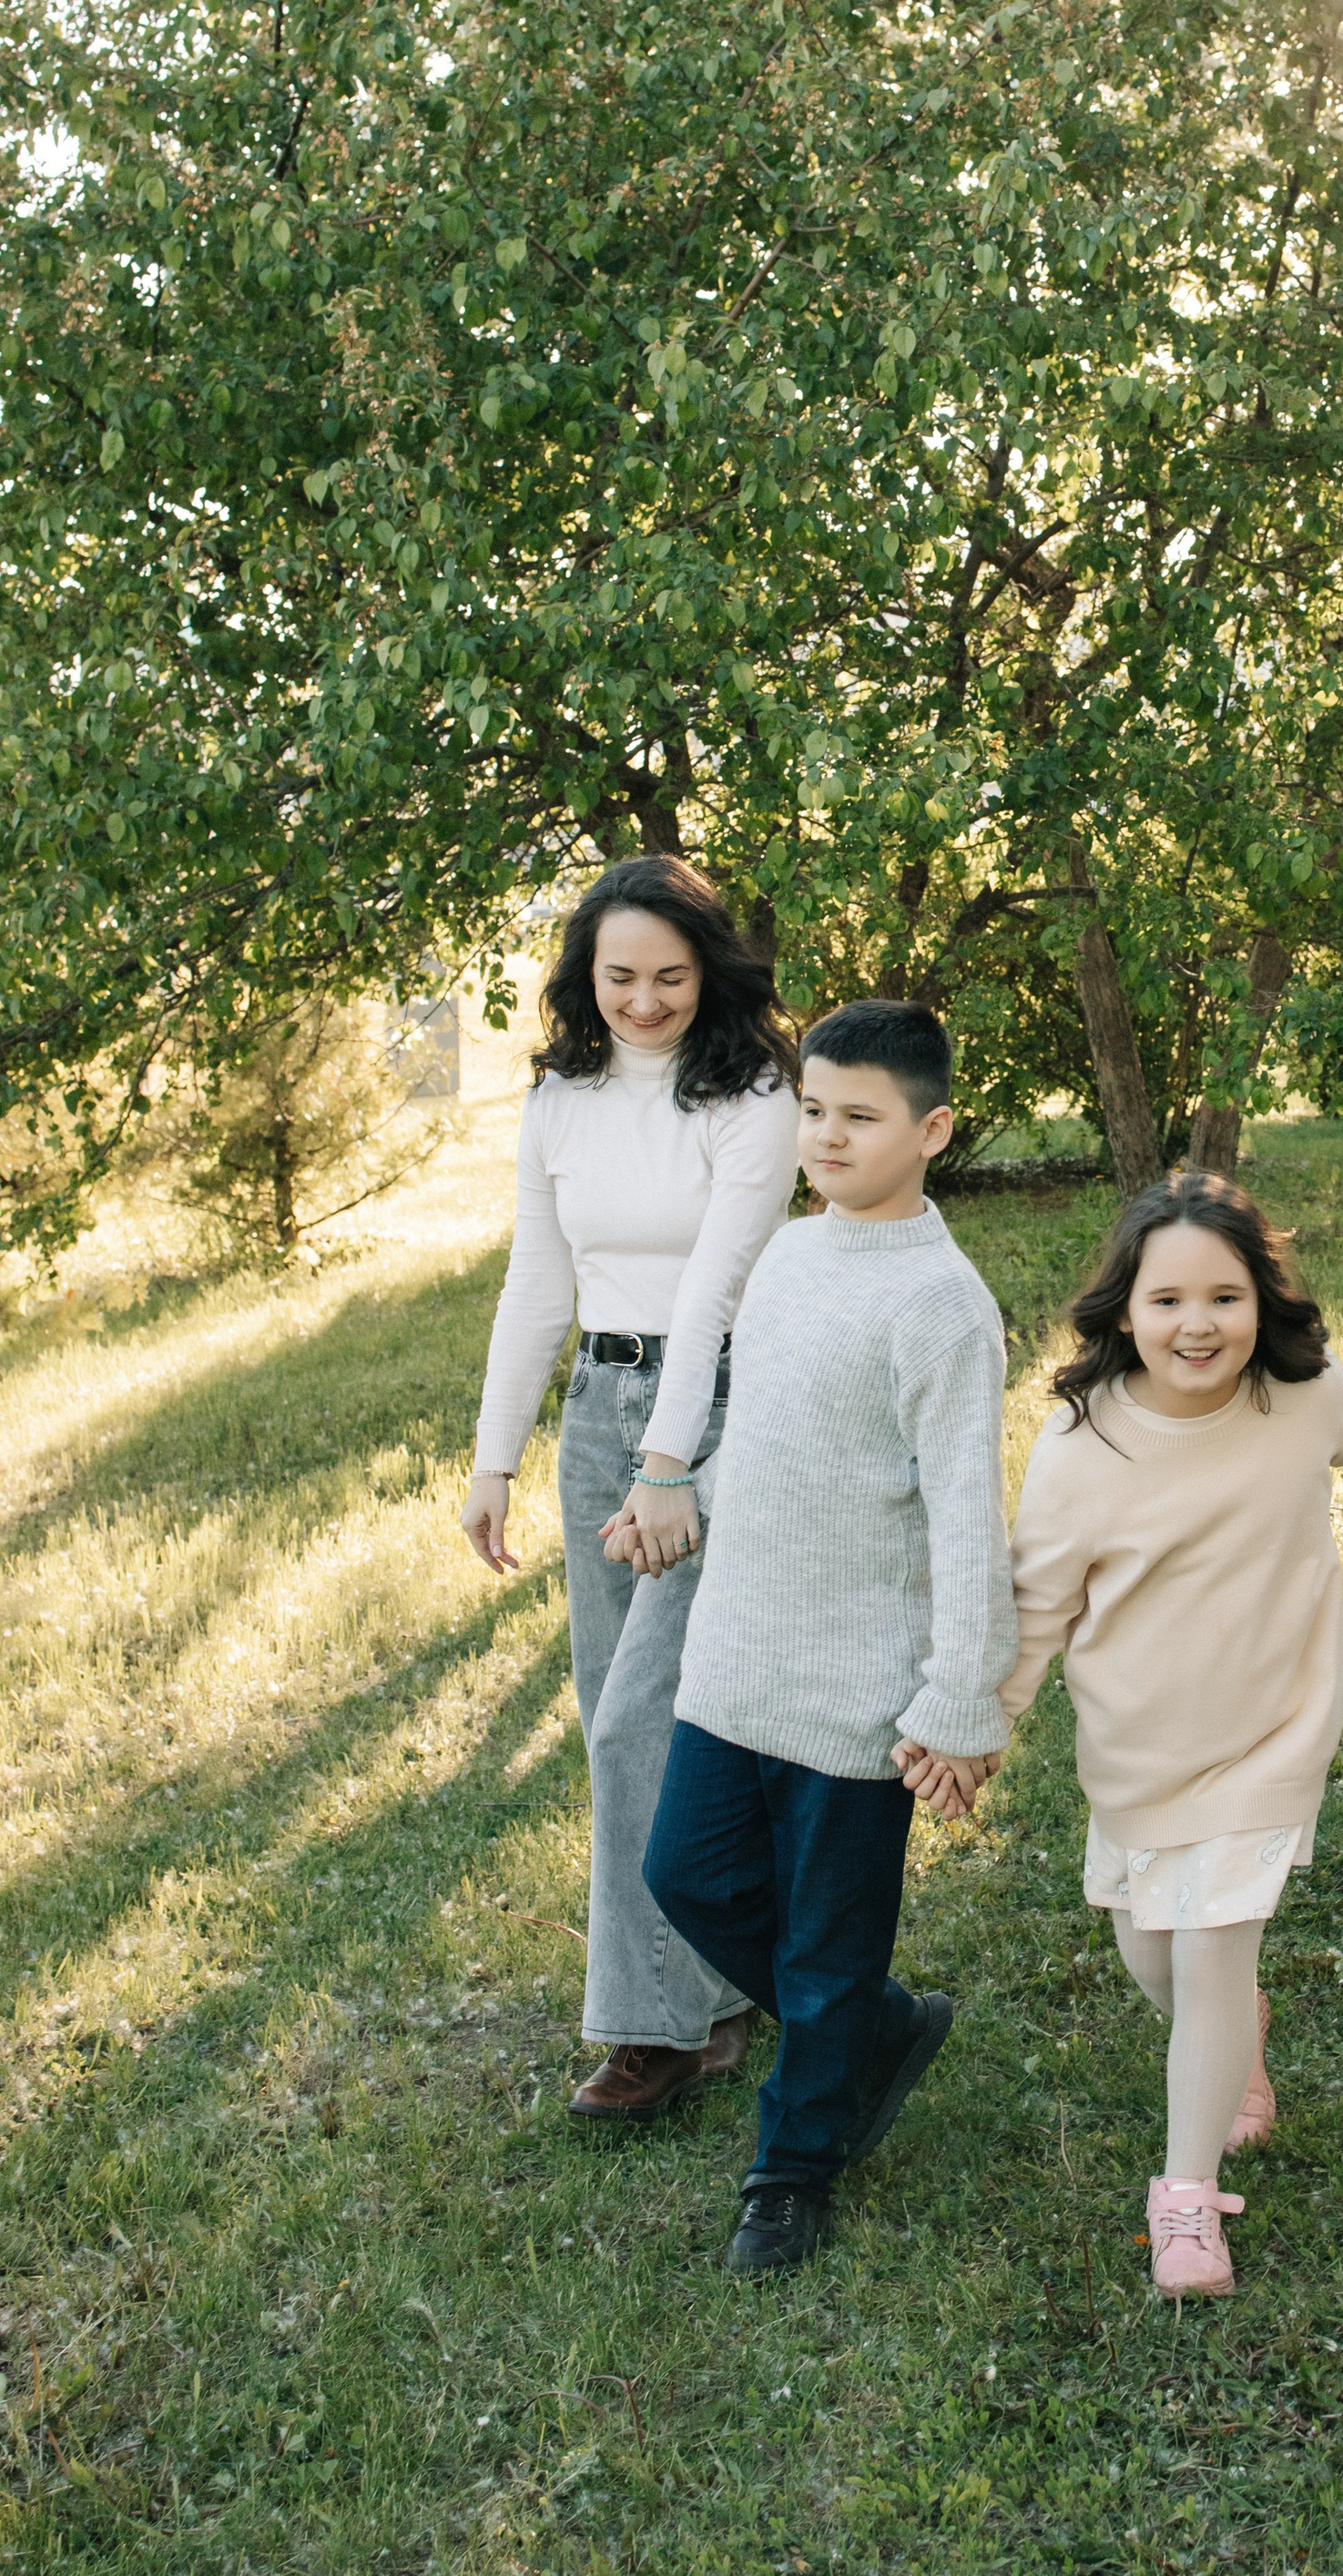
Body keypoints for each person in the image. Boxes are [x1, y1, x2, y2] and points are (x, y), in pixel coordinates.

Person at [945, 1172, 1343, 2299]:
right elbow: (1039, 1607)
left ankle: (1186, 2204)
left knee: (1210, 1943)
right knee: (1153, 1948)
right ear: (1122, 1311)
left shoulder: (1298, 1399)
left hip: (1271, 1735)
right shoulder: (1081, 1446)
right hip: (1139, 1752)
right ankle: (1233, 2035)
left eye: (1224, 1296)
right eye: (1166, 1300)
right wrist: (980, 1728)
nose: (1196, 1323)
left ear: (1265, 1303)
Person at [635, 1000, 1015, 2276]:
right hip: (739, 1658)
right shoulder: (790, 1261)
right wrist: (689, 1497)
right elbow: (777, 1434)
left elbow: (967, 1518)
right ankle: (873, 2026)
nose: (829, 1136)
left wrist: (960, 1697)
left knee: (825, 1937)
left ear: (934, 1130)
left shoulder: (945, 1306)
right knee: (685, 1872)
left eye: (861, 1116)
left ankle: (791, 2168)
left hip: (861, 1691)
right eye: (813, 1110)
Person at [459, 855, 799, 2123]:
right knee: (624, 1708)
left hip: (711, 1409)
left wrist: (669, 1465)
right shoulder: (560, 1096)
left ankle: (655, 2026)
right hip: (598, 1412)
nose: (645, 1001)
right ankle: (714, 1994)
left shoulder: (756, 1091)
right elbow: (536, 1283)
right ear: (582, 976)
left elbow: (716, 1285)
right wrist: (497, 1455)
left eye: (669, 975)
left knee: (638, 1722)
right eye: (620, 977)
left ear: (707, 971)